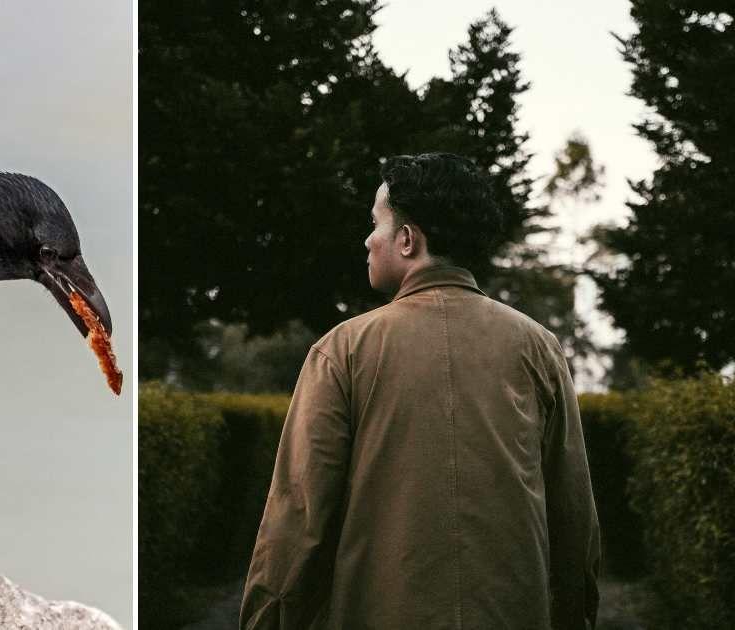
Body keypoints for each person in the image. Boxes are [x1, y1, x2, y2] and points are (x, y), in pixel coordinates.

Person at [239, 153, 602, 629]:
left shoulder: (343, 350)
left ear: (407, 239)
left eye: (376, 224)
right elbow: (574, 518)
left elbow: (297, 521)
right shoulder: (539, 349)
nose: (368, 240)